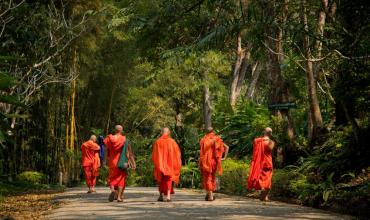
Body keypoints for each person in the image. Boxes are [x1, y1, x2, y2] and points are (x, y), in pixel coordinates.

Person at [104, 125, 135, 202]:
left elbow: (106, 151)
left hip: (112, 162)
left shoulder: (109, 139)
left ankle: (112, 190)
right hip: (122, 162)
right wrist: (133, 162)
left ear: (115, 130)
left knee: (111, 177)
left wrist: (104, 161)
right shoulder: (125, 140)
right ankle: (118, 197)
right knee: (121, 179)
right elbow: (129, 153)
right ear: (121, 130)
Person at [199, 127, 229, 201]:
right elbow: (227, 147)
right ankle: (208, 194)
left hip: (206, 162)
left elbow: (202, 152)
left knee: (207, 177)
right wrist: (224, 157)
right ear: (213, 131)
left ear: (205, 132)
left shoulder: (203, 140)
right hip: (214, 162)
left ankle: (210, 196)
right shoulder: (217, 139)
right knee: (212, 177)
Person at [152, 127, 182, 202]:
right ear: (169, 133)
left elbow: (155, 155)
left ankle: (161, 196)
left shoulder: (158, 142)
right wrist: (176, 164)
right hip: (170, 165)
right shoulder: (172, 142)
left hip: (160, 164)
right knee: (168, 180)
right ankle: (168, 196)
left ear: (162, 132)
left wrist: (157, 163)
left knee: (160, 179)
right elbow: (177, 154)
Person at [247, 127, 275, 201]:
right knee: (268, 178)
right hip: (268, 162)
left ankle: (262, 190)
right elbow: (270, 150)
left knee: (259, 177)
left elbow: (255, 151)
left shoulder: (257, 141)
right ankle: (265, 196)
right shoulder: (271, 142)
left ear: (264, 132)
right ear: (271, 134)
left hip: (259, 163)